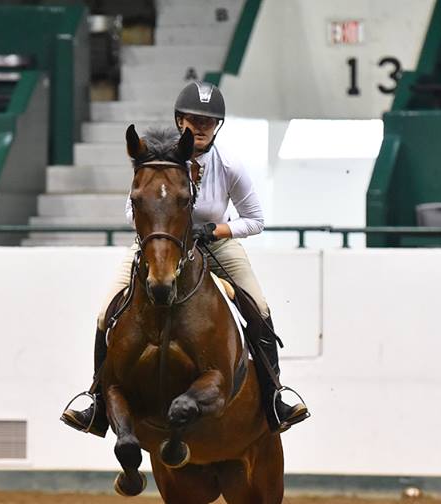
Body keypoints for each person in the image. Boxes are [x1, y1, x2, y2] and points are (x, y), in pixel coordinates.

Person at [62, 81, 309, 436]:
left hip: (215, 245)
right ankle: (97, 401)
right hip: (159, 244)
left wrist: (213, 231)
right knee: (106, 313)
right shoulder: (156, 160)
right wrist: (163, 228)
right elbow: (132, 213)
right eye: (194, 119)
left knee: (260, 306)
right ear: (180, 121)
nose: (202, 127)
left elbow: (255, 220)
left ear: (218, 126)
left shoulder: (229, 165)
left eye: (209, 122)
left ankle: (275, 396)